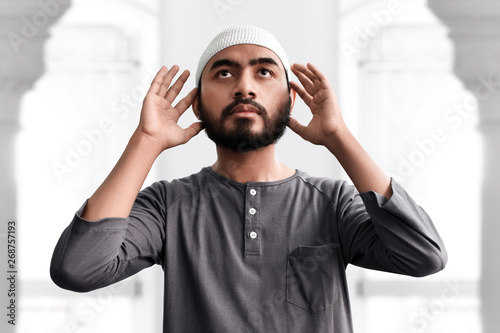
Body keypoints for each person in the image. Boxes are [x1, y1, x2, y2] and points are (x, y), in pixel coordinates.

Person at [50, 25, 447, 332]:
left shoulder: (334, 202)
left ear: (291, 99)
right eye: (224, 73)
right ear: (199, 104)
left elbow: (424, 256)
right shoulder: (168, 207)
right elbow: (77, 269)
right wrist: (146, 142)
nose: (244, 86)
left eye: (264, 72)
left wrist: (338, 139)